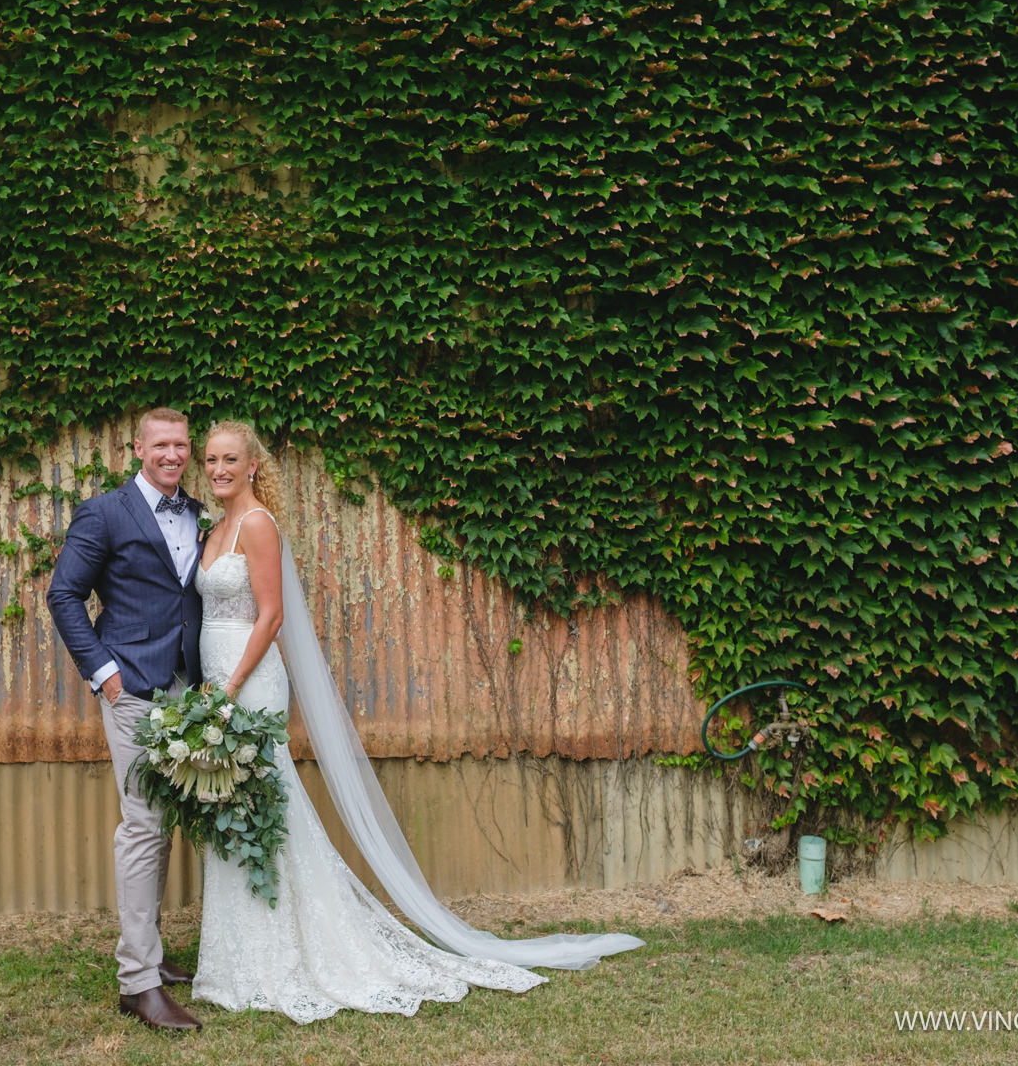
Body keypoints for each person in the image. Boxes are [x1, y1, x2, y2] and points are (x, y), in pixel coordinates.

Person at [189, 421, 643, 1023]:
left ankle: (290, 952)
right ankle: (239, 958)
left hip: (247, 682)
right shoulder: (215, 527)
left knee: (264, 806)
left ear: (252, 466)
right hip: (216, 684)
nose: (218, 470)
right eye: (211, 460)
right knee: (231, 809)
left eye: (230, 460)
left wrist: (231, 686)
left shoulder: (259, 526)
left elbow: (270, 617)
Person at [46, 407, 207, 1033]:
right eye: (160, 443)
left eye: (181, 444)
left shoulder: (197, 511)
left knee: (162, 822)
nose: (172, 454)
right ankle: (137, 981)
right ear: (136, 446)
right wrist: (103, 675)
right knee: (143, 826)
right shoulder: (105, 512)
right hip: (133, 689)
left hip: (185, 691)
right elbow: (64, 594)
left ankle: (154, 958)